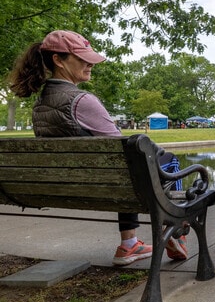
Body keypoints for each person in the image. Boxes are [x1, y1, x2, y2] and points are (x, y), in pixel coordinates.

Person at [9, 30, 188, 265]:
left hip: (72, 187)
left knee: (126, 172)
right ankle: (177, 230)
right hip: (109, 181)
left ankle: (130, 244)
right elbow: (127, 151)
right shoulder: (82, 101)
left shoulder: (40, 104)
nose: (90, 64)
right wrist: (158, 152)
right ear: (58, 60)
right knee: (165, 161)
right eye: (83, 58)